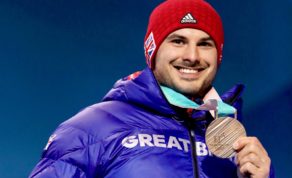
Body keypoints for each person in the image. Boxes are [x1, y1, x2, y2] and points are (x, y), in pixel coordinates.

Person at [29, 0, 274, 177]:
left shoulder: (235, 141)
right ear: (152, 52)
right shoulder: (90, 130)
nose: (192, 55)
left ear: (218, 55)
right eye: (178, 41)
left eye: (205, 44)